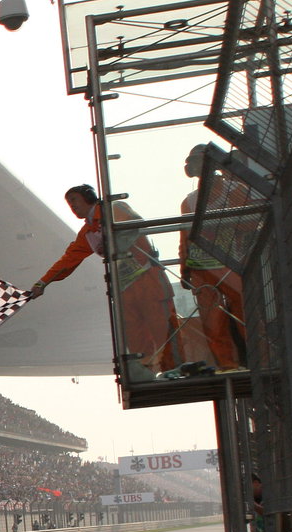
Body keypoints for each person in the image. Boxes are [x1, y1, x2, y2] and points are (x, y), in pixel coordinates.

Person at [29, 184, 177, 374]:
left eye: (74, 200)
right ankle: (148, 373)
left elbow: (133, 227)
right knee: (134, 335)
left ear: (89, 196)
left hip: (148, 280)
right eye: (69, 204)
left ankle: (176, 368)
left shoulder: (114, 209)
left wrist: (108, 239)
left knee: (163, 328)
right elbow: (69, 260)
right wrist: (42, 282)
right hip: (124, 288)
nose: (72, 206)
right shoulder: (88, 233)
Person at [180, 145, 247, 372]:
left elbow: (249, 223)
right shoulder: (189, 201)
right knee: (213, 323)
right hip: (202, 269)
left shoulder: (234, 190)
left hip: (232, 264)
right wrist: (185, 270)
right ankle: (228, 366)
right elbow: (185, 239)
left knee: (244, 316)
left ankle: (256, 360)